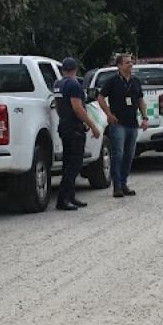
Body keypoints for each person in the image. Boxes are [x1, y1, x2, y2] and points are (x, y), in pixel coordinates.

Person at [98, 52, 150, 199]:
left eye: (131, 62)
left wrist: (145, 117)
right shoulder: (112, 81)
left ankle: (124, 182)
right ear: (119, 65)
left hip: (132, 123)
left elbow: (140, 100)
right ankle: (117, 186)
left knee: (129, 155)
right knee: (118, 154)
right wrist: (108, 114)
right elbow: (100, 97)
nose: (131, 64)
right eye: (127, 62)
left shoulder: (135, 81)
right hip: (118, 123)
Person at [53, 57, 101, 210]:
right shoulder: (74, 85)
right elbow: (77, 107)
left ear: (63, 70)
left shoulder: (58, 84)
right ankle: (64, 199)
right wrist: (92, 125)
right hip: (74, 128)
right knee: (74, 164)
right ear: (75, 69)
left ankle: (71, 196)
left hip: (64, 126)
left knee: (68, 163)